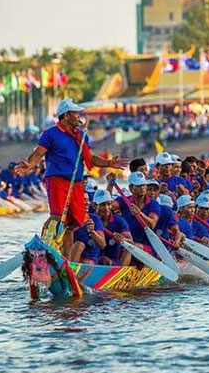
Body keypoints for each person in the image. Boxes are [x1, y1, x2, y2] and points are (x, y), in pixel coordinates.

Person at [14, 99, 129, 236]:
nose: (79, 116)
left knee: (74, 222)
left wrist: (109, 163)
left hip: (76, 183)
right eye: (76, 113)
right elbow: (38, 153)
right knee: (57, 217)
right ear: (67, 115)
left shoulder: (81, 136)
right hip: (57, 180)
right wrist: (29, 165)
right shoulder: (50, 134)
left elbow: (91, 158)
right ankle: (42, 248)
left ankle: (67, 256)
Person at [94, 189, 133, 266]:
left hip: (113, 261)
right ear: (94, 205)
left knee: (129, 248)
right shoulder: (90, 219)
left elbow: (131, 242)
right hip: (92, 260)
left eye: (108, 204)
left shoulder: (119, 221)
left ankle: (120, 274)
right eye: (102, 205)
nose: (106, 208)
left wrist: (123, 239)